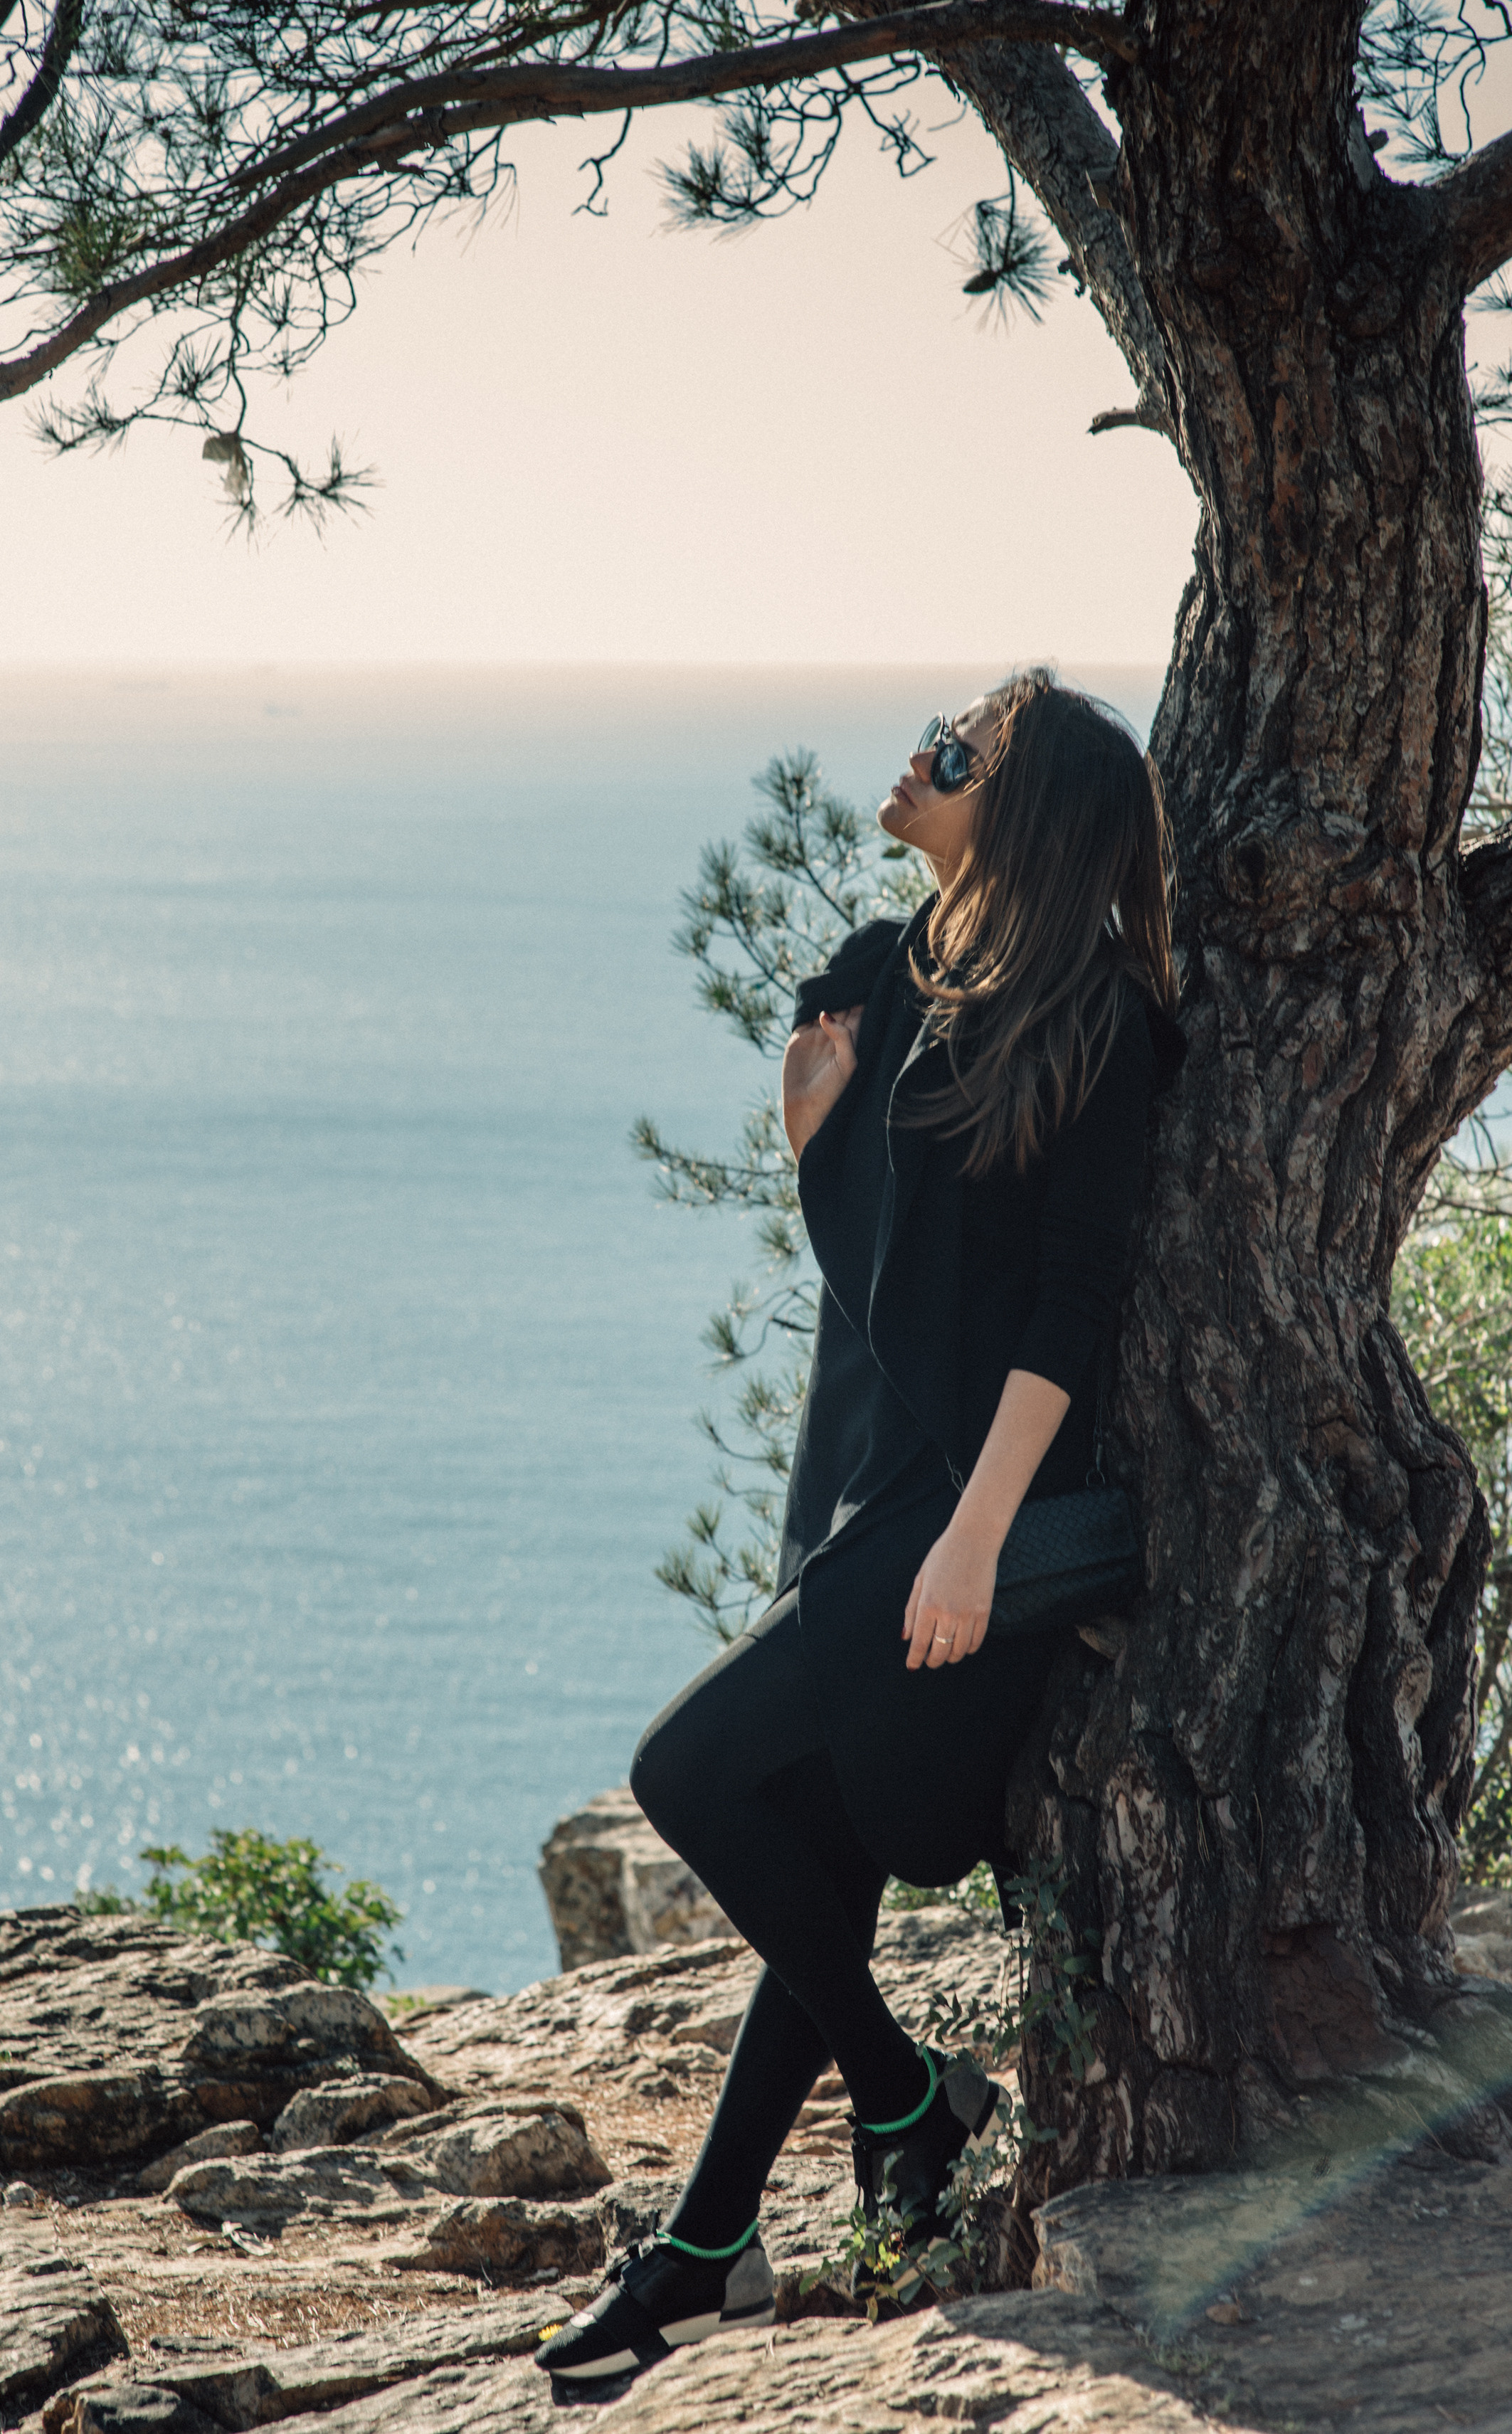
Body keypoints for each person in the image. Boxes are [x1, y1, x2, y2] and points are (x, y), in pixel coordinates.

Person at [536, 668, 1185, 2385]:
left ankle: (901, 2098)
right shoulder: (895, 972)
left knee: (685, 1773)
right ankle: (709, 2245)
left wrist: (975, 1540)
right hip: (869, 1468)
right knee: (813, 1844)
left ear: (1021, 807)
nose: (919, 754)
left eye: (957, 749)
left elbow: (1068, 1309)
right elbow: (884, 1279)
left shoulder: (1102, 1020)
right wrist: (810, 1138)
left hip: (968, 1507)